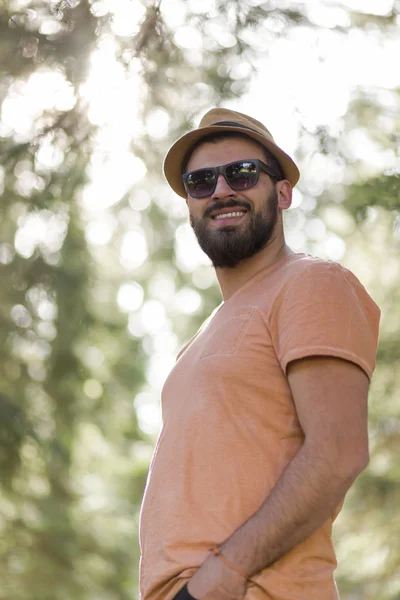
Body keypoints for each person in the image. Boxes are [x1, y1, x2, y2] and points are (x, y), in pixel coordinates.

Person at [138, 108, 380, 600]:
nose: (222, 190)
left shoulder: (311, 283)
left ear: (283, 191)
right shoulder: (201, 337)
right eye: (201, 181)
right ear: (189, 204)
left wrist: (222, 576)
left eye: (243, 173)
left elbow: (338, 452)